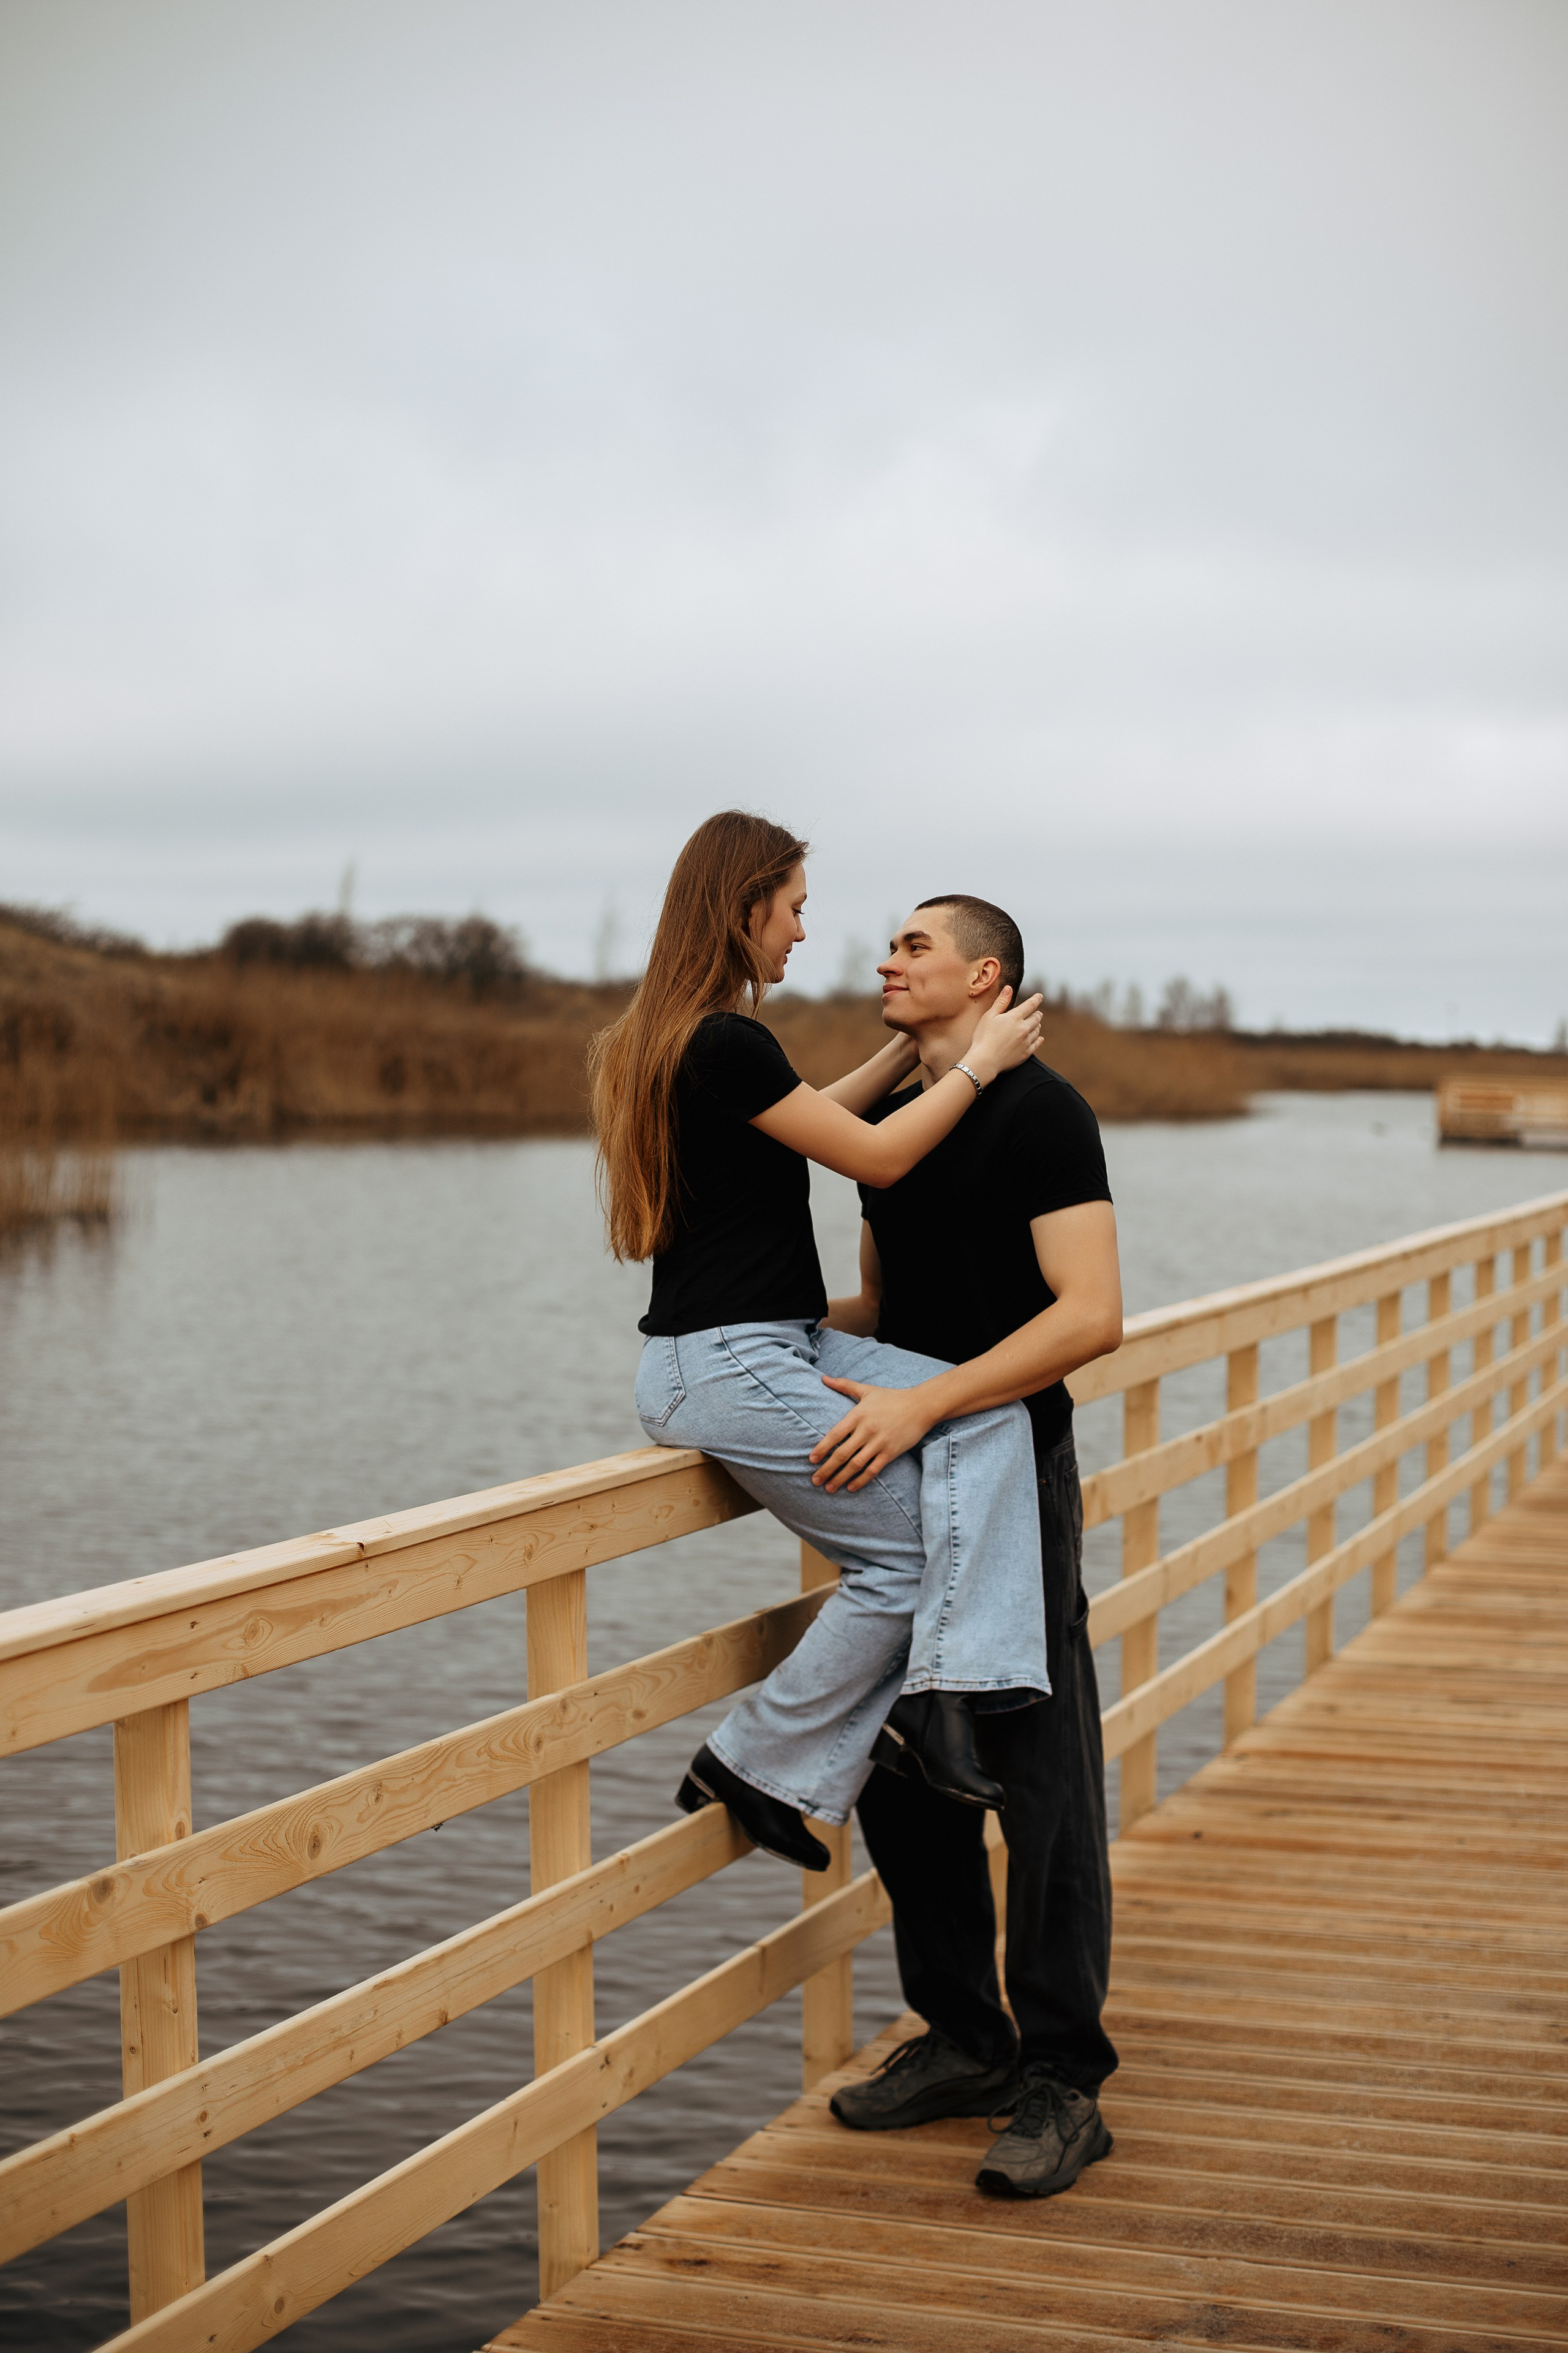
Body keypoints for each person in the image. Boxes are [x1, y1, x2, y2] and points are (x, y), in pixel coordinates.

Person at [590, 812, 1051, 1875]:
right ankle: (758, 1758)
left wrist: (908, 1045)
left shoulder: (694, 1038)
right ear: (745, 905)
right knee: (905, 1551)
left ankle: (937, 1704)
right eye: (794, 907)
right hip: (725, 1360)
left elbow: (817, 1121)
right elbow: (877, 1159)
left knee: (988, 1406)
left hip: (779, 1344)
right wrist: (978, 1064)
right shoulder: (722, 1039)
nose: (804, 930)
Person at [816, 893, 1124, 2202]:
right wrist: (729, 1341)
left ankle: (1061, 2074)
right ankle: (962, 2036)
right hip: (901, 1482)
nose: (885, 959)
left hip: (1004, 1469)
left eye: (913, 946)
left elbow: (1091, 1315)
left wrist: (929, 1401)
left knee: (1033, 1760)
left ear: (984, 974)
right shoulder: (896, 1128)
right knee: (896, 1758)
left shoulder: (1041, 1112)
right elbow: (887, 1306)